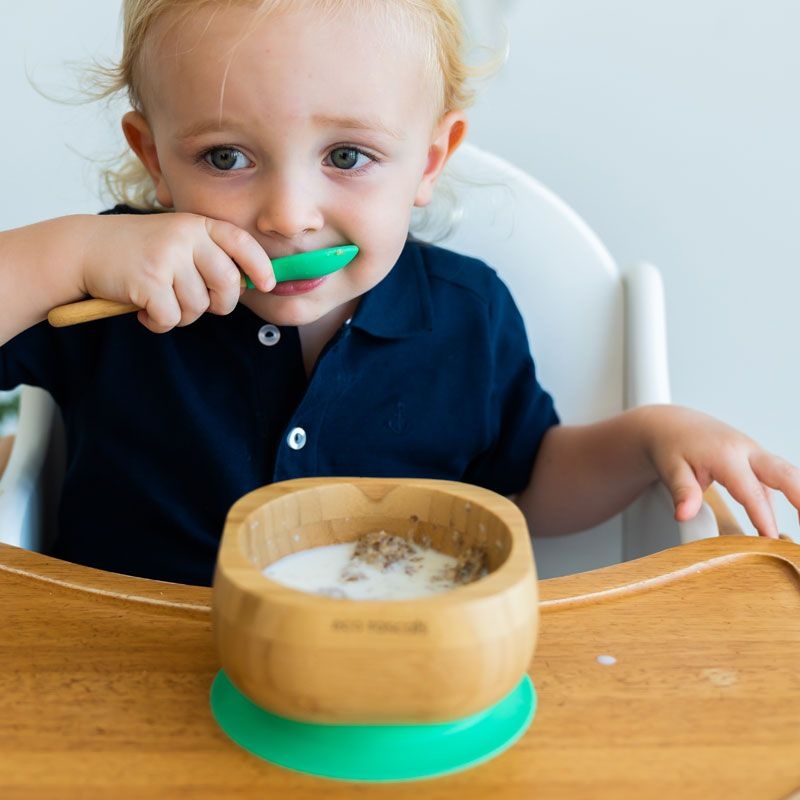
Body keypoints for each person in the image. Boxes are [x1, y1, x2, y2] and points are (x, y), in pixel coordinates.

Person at [0, 0, 798, 585]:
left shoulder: (467, 314)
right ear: (153, 157)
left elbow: (528, 487)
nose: (289, 216)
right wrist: (68, 254)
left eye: (346, 157)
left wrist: (652, 436)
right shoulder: (111, 283)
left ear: (429, 159)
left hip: (392, 669)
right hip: (124, 667)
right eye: (225, 158)